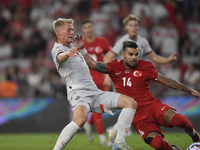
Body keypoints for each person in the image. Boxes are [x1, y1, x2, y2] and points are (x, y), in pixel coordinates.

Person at [81, 41, 200, 150]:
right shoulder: (114, 67)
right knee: (158, 144)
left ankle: (195, 136)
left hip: (153, 106)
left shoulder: (145, 66)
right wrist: (82, 49)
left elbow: (167, 81)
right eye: (131, 54)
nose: (134, 57)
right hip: (138, 117)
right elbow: (93, 64)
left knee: (180, 121)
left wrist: (189, 90)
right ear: (123, 55)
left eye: (136, 54)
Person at [51, 18, 137, 150]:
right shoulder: (57, 48)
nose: (72, 32)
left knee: (131, 103)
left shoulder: (74, 47)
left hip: (95, 92)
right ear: (59, 32)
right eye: (69, 30)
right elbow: (60, 57)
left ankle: (119, 143)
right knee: (80, 120)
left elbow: (91, 63)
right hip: (78, 92)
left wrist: (83, 49)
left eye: (73, 29)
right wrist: (68, 53)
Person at [103, 14, 179, 88]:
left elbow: (154, 57)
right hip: (122, 77)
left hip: (135, 77)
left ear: (138, 27)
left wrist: (168, 60)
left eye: (135, 25)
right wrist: (107, 77)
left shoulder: (143, 41)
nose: (133, 28)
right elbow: (107, 57)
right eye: (130, 26)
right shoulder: (122, 41)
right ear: (126, 27)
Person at [81, 20, 111, 145]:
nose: (88, 29)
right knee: (98, 107)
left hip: (103, 78)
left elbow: (110, 58)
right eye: (85, 28)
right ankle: (101, 136)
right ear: (83, 30)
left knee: (104, 107)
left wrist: (108, 76)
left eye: (89, 27)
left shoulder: (103, 41)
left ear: (93, 28)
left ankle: (88, 124)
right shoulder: (79, 43)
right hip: (89, 81)